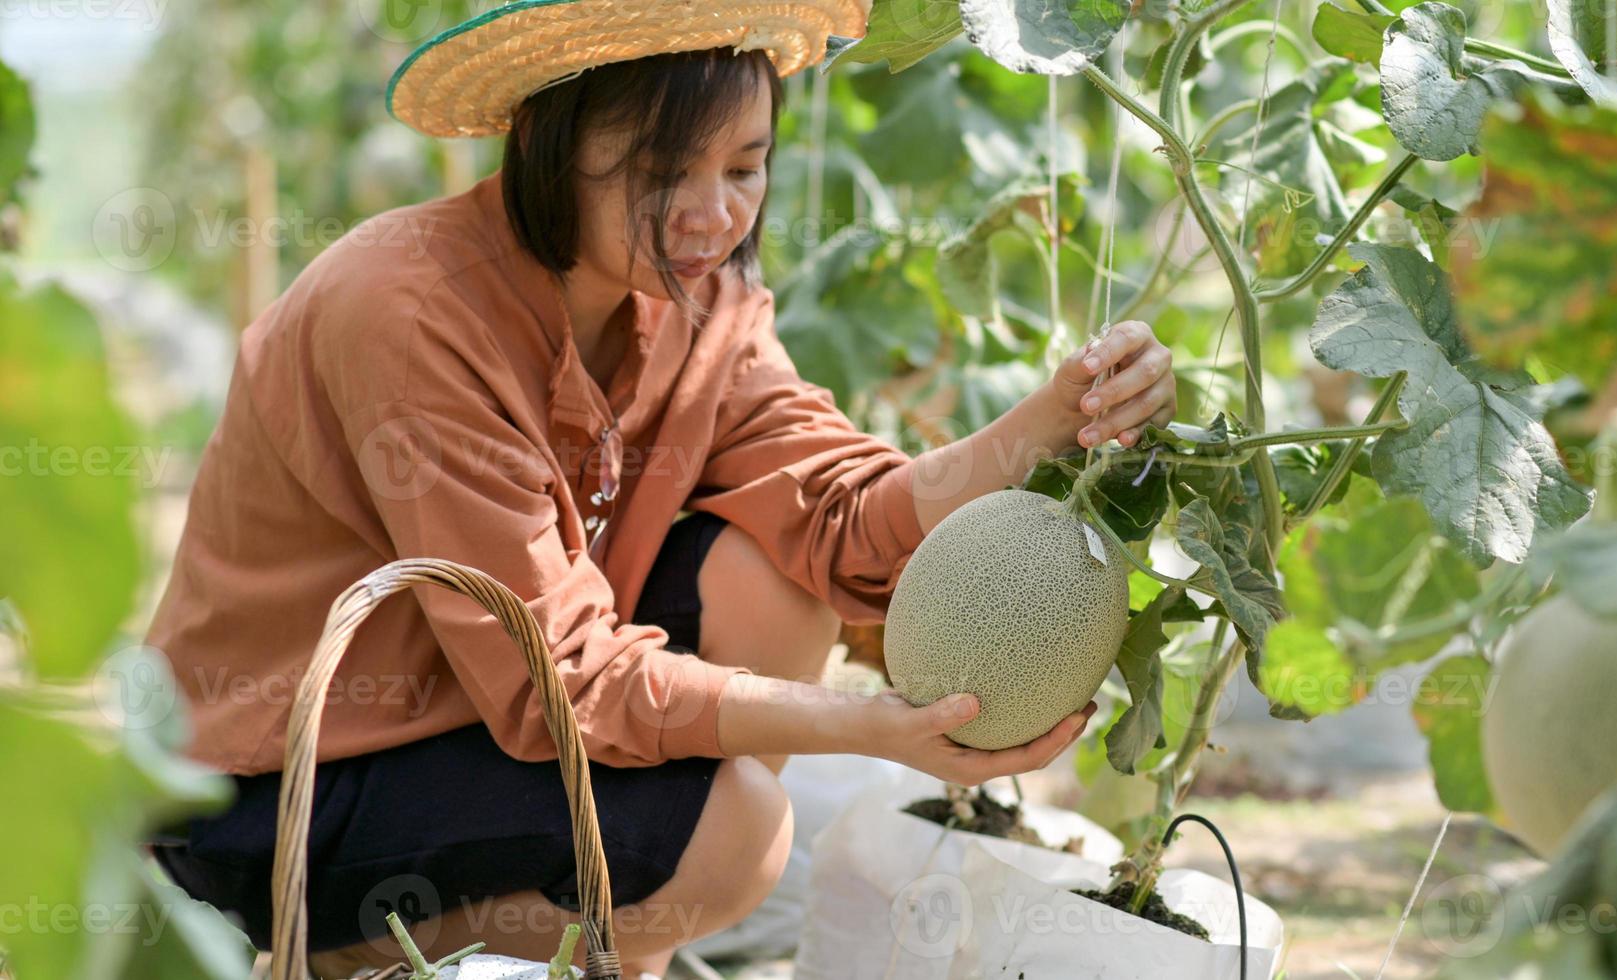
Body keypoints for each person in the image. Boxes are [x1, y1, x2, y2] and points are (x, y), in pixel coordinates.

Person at [142, 1, 1179, 977]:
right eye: (661, 168)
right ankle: (334, 953)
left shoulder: (702, 309)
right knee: (738, 832)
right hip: (272, 793)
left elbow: (847, 513)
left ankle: (613, 929)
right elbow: (568, 680)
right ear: (551, 140)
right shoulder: (406, 309)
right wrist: (859, 723)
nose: (712, 213)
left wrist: (1051, 416)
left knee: (777, 574)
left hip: (487, 727)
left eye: (745, 165)